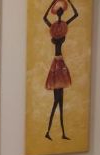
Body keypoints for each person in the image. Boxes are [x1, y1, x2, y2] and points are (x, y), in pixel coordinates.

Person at [43, 0, 79, 140]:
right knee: (57, 102)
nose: (59, 11)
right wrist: (51, 3)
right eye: (57, 10)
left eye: (61, 10)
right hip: (57, 65)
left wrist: (69, 1)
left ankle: (58, 133)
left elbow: (76, 14)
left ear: (62, 12)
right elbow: (44, 18)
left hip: (60, 63)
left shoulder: (63, 26)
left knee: (59, 103)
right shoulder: (53, 28)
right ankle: (51, 132)